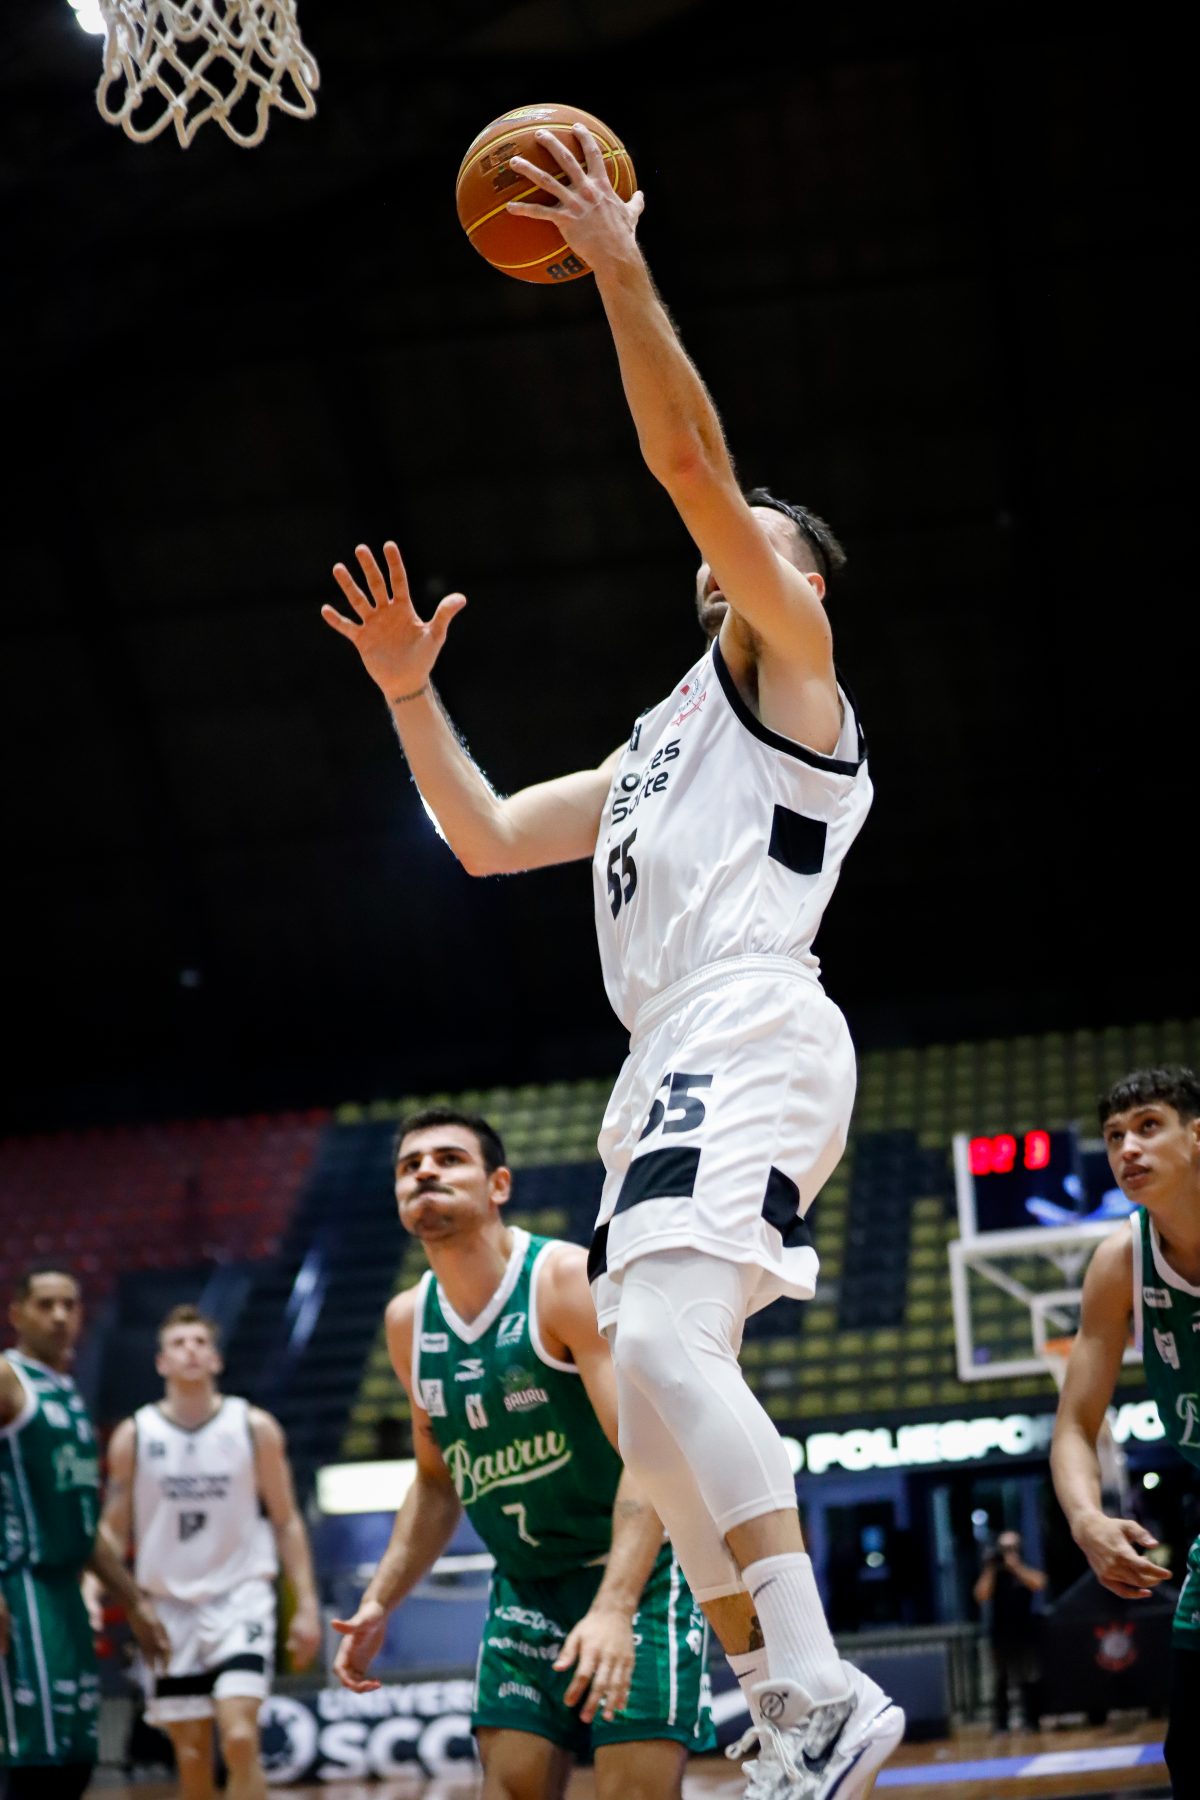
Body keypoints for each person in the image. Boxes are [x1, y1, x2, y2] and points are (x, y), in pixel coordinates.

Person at [322, 123, 903, 1797]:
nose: (728, 545)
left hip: (749, 1019)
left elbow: (689, 464)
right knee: (647, 1386)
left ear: (796, 575)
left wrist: (621, 265)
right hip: (664, 1056)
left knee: (653, 1354)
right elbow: (489, 835)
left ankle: (818, 1679)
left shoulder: (799, 669)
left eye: (756, 536)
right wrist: (410, 695)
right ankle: (781, 1705)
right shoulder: (659, 742)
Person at [331, 1109, 714, 1800]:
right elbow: (436, 1483)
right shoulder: (406, 1323)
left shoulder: (561, 1279)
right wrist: (379, 1600)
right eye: (409, 1166)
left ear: (498, 1185)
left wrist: (614, 1607)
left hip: (638, 1571)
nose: (424, 1172)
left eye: (448, 1159)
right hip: (526, 1587)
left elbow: (649, 1451)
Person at [100, 1304, 321, 1800]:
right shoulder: (135, 1436)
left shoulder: (253, 1427)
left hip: (240, 1596)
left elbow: (286, 1520)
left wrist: (306, 1604)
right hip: (168, 1606)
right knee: (192, 1755)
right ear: (161, 1362)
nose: (191, 1351)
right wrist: (94, 1590)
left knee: (240, 1736)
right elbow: (112, 1531)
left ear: (217, 1359)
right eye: (179, 1344)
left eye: (200, 1342)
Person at [1051, 1065, 1200, 1800]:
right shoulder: (1119, 1261)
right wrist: (1086, 1519)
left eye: (1148, 1127)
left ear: (1197, 1136)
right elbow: (1076, 1426)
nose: (1127, 1149)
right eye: (1114, 1136)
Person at [0, 1267, 168, 1800]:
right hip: (21, 1587)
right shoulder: (7, 1377)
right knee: (35, 1759)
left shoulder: (69, 1393)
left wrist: (133, 1601)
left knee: (75, 1760)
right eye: (45, 1304)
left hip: (67, 1593)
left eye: (69, 1305)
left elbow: (83, 1521)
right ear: (16, 1314)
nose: (59, 1316)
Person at [972, 1530, 1046, 1733]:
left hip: (1024, 1631)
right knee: (1000, 1679)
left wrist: (1016, 1567)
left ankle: (1032, 1722)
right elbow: (981, 1595)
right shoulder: (994, 1572)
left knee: (1029, 1677)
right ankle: (1001, 1725)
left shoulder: (1026, 1565)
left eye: (1011, 1547)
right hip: (1000, 1633)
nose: (1007, 1552)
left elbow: (1039, 1583)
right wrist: (990, 1569)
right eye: (1003, 1548)